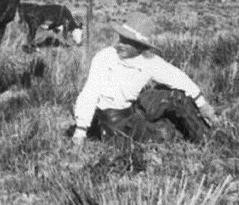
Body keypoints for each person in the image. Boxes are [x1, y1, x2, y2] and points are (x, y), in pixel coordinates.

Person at [70, 13, 219, 144]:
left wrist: (203, 105)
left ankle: (210, 138)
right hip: (113, 122)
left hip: (133, 109)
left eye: (128, 42)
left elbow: (178, 78)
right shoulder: (105, 57)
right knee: (165, 131)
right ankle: (175, 132)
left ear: (140, 47)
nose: (121, 44)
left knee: (175, 97)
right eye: (121, 38)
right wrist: (80, 131)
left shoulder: (149, 61)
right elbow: (90, 93)